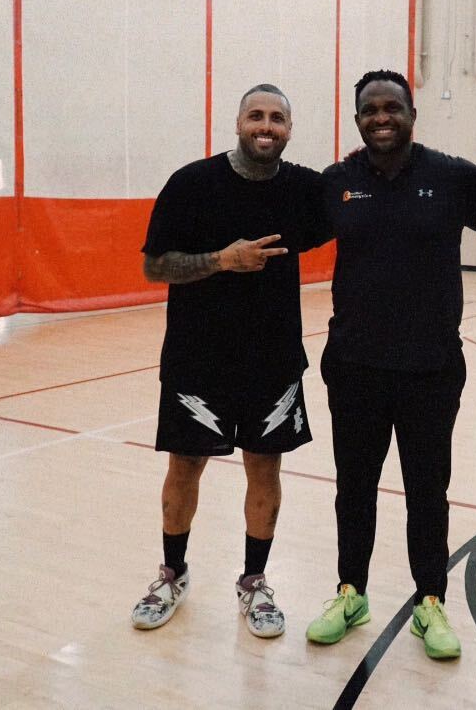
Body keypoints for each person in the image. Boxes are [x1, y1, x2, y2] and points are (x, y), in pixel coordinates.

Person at [304, 70, 476, 660]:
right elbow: (282, 238)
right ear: (356, 118)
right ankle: (350, 591)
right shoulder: (336, 183)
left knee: (427, 489)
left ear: (413, 113)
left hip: (431, 368)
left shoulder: (455, 177)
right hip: (354, 365)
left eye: (391, 107)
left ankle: (429, 600)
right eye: (368, 109)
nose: (380, 117)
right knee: (353, 487)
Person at [132, 84, 331, 639]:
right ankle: (172, 572)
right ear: (238, 122)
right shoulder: (191, 184)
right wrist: (223, 259)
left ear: (289, 129)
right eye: (256, 116)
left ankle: (254, 580)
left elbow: (362, 201)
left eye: (277, 119)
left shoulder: (304, 190)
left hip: (272, 361)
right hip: (197, 360)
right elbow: (155, 267)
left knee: (265, 469)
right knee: (184, 468)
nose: (266, 126)